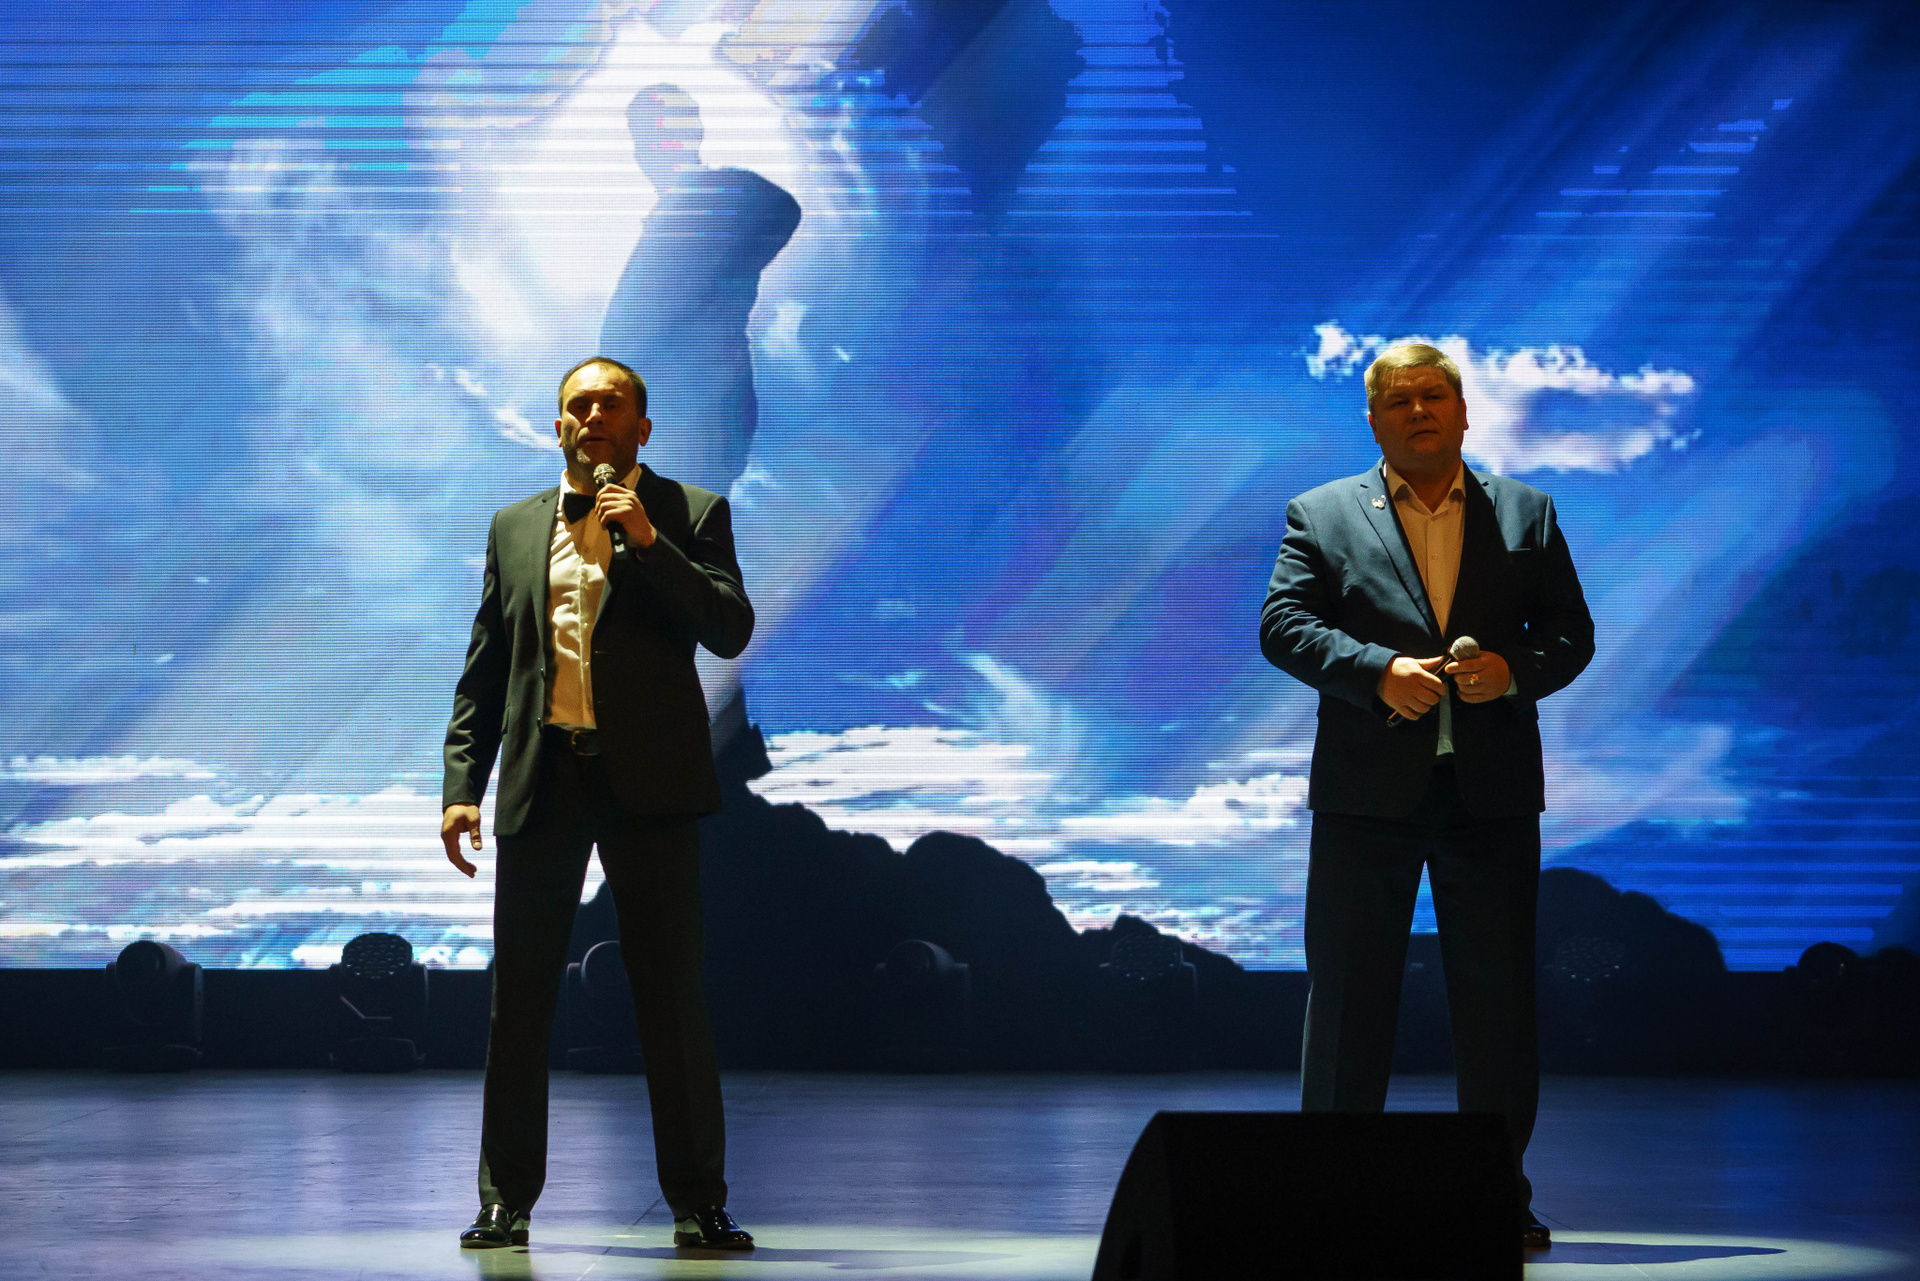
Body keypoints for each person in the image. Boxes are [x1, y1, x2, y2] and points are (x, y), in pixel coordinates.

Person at [1259, 343, 1594, 1249]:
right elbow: (1283, 626)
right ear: (1373, 421)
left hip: (1490, 796)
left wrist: (1512, 672)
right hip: (1365, 796)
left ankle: (1494, 1194)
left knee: (1498, 1009)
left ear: (1463, 410)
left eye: (1434, 395)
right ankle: (1330, 1196)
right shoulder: (1322, 512)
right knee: (1347, 1007)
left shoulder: (1526, 510)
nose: (1419, 411)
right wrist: (1377, 672)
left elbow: (1571, 632)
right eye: (1399, 400)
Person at [440, 356, 755, 1251]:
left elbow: (729, 627)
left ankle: (698, 1201)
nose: (593, 418)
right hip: (545, 779)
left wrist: (650, 543)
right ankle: (504, 1199)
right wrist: (462, 788)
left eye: (610, 405)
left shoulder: (691, 511)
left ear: (641, 428)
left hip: (651, 784)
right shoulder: (513, 527)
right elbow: (485, 669)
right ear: (558, 428)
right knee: (520, 1000)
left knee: (671, 997)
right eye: (577, 406)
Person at [600, 84, 801, 495]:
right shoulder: (665, 222)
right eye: (641, 136)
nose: (649, 148)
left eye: (659, 130)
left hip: (699, 410)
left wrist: (722, 280)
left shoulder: (724, 192)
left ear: (692, 132)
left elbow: (782, 210)